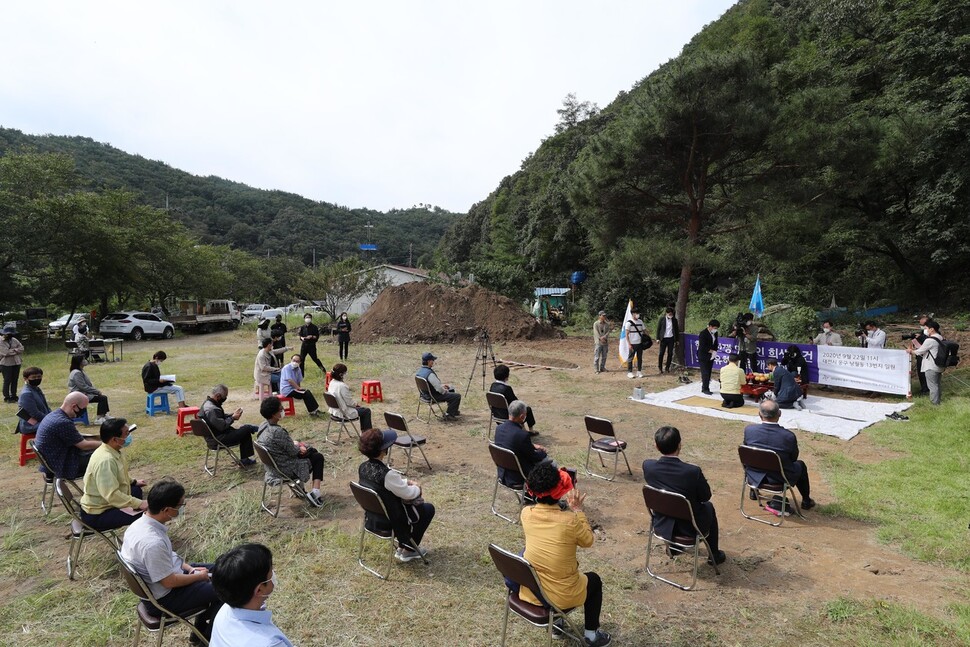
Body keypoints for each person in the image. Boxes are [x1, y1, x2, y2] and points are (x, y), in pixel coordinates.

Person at [120, 480, 223, 644]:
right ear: (166, 510)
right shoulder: (152, 543)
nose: (182, 509)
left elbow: (168, 557)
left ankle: (199, 633)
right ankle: (207, 638)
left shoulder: (139, 524)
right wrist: (198, 577)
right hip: (164, 599)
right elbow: (169, 581)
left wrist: (190, 568)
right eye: (180, 505)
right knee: (228, 589)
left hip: (165, 580)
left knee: (224, 570)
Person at [521, 462, 611, 647]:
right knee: (594, 580)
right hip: (559, 596)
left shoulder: (526, 514)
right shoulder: (569, 521)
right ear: (559, 491)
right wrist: (577, 510)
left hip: (533, 591)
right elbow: (588, 541)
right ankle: (591, 635)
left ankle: (557, 625)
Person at [642, 426, 725, 565]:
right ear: (680, 444)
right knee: (708, 507)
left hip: (661, 523)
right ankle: (714, 554)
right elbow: (705, 497)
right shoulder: (692, 472)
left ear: (656, 446)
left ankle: (673, 547)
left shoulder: (648, 466)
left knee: (671, 502)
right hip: (690, 527)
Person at [357, 428, 436, 562]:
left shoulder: (363, 467)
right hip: (392, 520)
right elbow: (409, 494)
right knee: (427, 509)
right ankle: (408, 550)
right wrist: (417, 487)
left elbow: (389, 484)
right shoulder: (388, 475)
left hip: (373, 518)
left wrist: (405, 481)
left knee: (417, 508)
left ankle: (402, 546)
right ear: (383, 450)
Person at [210, 543, 293, 647]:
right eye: (271, 571)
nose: (274, 574)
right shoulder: (270, 644)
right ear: (259, 590)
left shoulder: (225, 611)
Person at [743, 400, 816, 515]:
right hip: (779, 478)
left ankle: (753, 491)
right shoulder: (788, 436)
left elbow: (746, 454)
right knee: (800, 465)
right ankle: (806, 500)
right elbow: (793, 458)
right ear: (780, 414)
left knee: (753, 457)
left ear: (759, 414)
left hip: (753, 476)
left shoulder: (749, 431)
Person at [79, 418, 146, 531]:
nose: (129, 436)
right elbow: (112, 495)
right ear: (115, 439)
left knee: (136, 490)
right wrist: (140, 504)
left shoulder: (111, 450)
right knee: (146, 514)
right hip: (98, 514)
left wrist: (133, 481)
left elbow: (119, 475)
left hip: (106, 503)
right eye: (126, 434)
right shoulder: (106, 460)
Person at [256, 396, 325, 506]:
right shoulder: (277, 431)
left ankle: (300, 489)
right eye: (280, 409)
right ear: (274, 414)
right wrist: (299, 447)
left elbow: (280, 445)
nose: (283, 409)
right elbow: (293, 452)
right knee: (317, 456)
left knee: (311, 451)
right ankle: (315, 493)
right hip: (285, 469)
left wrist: (295, 445)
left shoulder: (263, 426)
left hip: (272, 467)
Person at [34, 392, 100, 479]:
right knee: (105, 457)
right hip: (62, 466)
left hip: (51, 463)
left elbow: (76, 437)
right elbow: (84, 445)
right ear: (74, 407)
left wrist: (98, 438)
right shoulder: (63, 422)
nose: (83, 411)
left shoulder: (54, 415)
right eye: (83, 408)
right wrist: (107, 444)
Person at [494, 400, 549, 488]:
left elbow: (512, 444)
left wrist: (532, 445)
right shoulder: (522, 435)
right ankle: (548, 498)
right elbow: (534, 457)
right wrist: (543, 453)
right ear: (522, 416)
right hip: (519, 476)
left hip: (503, 473)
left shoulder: (499, 429)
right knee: (549, 463)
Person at [200, 385, 259, 466]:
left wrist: (232, 415)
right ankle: (259, 430)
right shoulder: (212, 409)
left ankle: (245, 459)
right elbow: (222, 426)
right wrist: (232, 418)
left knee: (244, 430)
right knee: (246, 429)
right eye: (225, 397)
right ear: (218, 396)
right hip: (218, 439)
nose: (225, 398)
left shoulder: (207, 404)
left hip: (212, 438)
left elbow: (219, 418)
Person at [489, 364, 536, 433]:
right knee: (527, 409)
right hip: (508, 417)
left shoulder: (492, 386)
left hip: (497, 415)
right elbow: (515, 402)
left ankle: (523, 429)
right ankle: (531, 430)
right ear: (507, 377)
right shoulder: (507, 389)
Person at [907, 319, 944, 405]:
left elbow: (920, 351)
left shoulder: (930, 340)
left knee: (932, 386)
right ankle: (938, 401)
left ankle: (934, 404)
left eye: (927, 328)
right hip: (938, 364)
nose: (925, 330)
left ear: (932, 329)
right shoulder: (940, 337)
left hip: (931, 365)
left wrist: (911, 351)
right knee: (937, 384)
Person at [326, 362, 373, 430]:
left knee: (363, 410)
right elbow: (350, 403)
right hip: (343, 413)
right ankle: (367, 434)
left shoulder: (332, 382)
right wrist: (357, 404)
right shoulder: (342, 386)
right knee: (366, 411)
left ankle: (365, 432)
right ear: (341, 375)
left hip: (334, 411)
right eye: (345, 373)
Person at [415, 352, 461, 419]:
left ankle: (453, 411)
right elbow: (439, 389)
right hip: (432, 396)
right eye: (432, 360)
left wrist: (442, 386)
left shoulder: (419, 372)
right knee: (456, 395)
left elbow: (430, 384)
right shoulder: (430, 374)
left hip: (424, 395)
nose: (433, 362)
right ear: (428, 361)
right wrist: (445, 390)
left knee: (450, 389)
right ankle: (450, 415)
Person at [67, 354, 111, 424]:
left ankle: (103, 415)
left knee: (103, 397)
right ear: (79, 362)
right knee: (102, 398)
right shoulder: (76, 373)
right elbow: (83, 386)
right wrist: (96, 392)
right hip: (79, 395)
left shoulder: (80, 371)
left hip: (83, 393)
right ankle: (99, 418)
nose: (85, 361)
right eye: (83, 360)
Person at [16, 366, 51, 435]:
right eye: (33, 377)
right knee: (58, 427)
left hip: (40, 421)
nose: (37, 379)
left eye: (39, 377)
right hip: (31, 425)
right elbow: (35, 414)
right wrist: (50, 420)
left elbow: (46, 407)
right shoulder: (26, 394)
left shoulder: (36, 389)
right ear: (25, 379)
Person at [1, 325, 24, 403]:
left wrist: (13, 350)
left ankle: (14, 395)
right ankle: (7, 396)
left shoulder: (14, 340)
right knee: (7, 380)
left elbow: (22, 348)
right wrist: (16, 351)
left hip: (16, 362)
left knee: (15, 380)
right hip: (6, 364)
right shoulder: (0, 341)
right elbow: (5, 353)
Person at [697, 320, 720, 395]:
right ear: (710, 326)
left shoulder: (715, 333)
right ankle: (705, 388)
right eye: (714, 328)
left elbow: (715, 343)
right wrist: (711, 351)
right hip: (703, 355)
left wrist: (715, 351)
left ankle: (707, 386)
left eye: (716, 328)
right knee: (705, 372)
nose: (715, 329)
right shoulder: (703, 334)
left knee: (709, 371)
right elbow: (703, 346)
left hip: (711, 355)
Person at [910, 314, 931, 395]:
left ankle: (927, 388)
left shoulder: (932, 329)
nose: (920, 320)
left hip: (927, 355)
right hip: (920, 354)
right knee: (920, 372)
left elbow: (930, 341)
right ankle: (923, 388)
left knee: (926, 372)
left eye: (922, 319)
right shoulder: (923, 330)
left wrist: (920, 337)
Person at [624, 308, 647, 379]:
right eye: (636, 313)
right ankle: (630, 372)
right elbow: (627, 334)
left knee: (640, 358)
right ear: (633, 314)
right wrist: (629, 344)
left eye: (638, 313)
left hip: (640, 343)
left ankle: (639, 371)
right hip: (632, 343)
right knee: (630, 358)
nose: (638, 315)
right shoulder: (628, 323)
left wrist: (648, 339)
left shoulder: (640, 321)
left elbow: (644, 331)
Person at [655, 307, 679, 374]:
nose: (670, 315)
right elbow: (658, 329)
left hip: (671, 338)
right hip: (663, 339)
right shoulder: (662, 319)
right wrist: (657, 338)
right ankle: (660, 367)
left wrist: (677, 340)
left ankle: (667, 367)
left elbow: (676, 330)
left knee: (670, 353)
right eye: (669, 314)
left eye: (672, 314)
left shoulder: (674, 320)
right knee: (661, 353)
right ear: (666, 313)